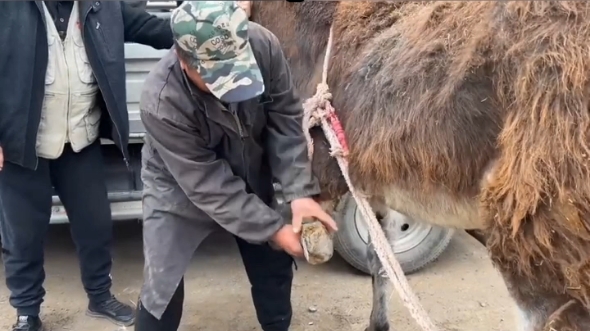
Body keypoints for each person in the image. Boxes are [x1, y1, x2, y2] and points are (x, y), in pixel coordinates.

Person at [135, 1, 338, 330]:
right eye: (219, 76)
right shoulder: (161, 101)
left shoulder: (263, 45)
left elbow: (285, 118)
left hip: (248, 162)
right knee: (162, 281)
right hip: (180, 183)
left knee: (273, 262)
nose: (232, 88)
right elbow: (209, 186)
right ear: (186, 63)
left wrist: (300, 192)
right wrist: (273, 228)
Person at [0, 2, 174, 330]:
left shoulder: (103, 5)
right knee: (22, 235)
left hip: (80, 140)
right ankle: (27, 312)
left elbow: (154, 28)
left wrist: (208, 30)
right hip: (21, 145)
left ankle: (100, 296)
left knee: (95, 225)